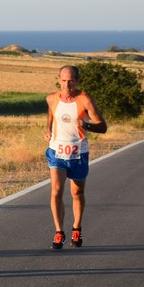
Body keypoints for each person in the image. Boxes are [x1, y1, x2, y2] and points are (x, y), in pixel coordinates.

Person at [45, 64, 106, 249]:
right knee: (56, 190)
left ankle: (76, 228)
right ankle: (59, 232)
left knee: (77, 193)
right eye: (64, 81)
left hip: (78, 153)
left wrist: (85, 125)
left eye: (71, 81)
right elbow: (51, 114)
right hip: (56, 151)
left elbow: (103, 127)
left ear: (77, 81)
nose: (67, 85)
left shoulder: (85, 100)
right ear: (58, 80)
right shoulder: (51, 98)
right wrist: (48, 129)